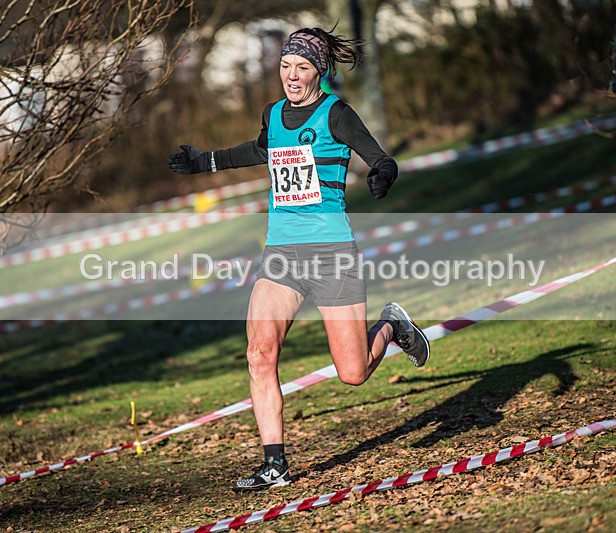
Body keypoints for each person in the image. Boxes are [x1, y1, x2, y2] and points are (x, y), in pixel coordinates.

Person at [167, 27, 431, 490]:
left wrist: (383, 176)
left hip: (332, 253)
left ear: (320, 71)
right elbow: (260, 149)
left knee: (352, 373)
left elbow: (380, 158)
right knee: (258, 354)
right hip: (282, 255)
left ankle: (393, 326)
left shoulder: (337, 114)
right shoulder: (273, 114)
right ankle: (275, 464)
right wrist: (202, 162)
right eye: (286, 65)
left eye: (302, 67)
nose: (291, 75)